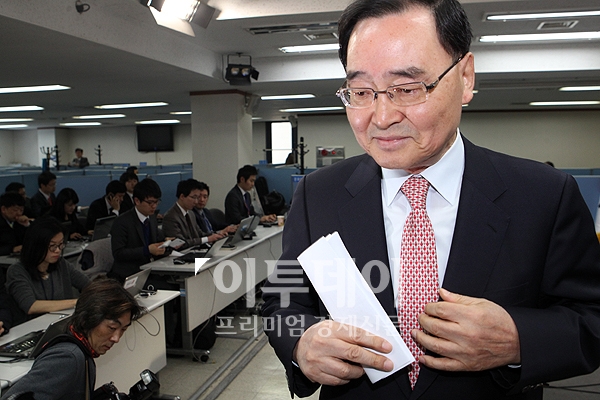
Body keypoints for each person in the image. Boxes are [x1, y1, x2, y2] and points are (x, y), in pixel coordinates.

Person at [261, 1, 600, 399]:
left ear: (465, 77)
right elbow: (281, 302)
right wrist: (301, 345)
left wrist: (517, 340)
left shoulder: (544, 196)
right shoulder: (318, 194)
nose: (381, 117)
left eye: (407, 89)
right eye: (361, 92)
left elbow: (590, 319)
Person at [0, 278, 143, 400]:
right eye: (112, 328)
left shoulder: (82, 350)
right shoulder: (68, 357)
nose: (116, 338)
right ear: (88, 319)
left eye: (123, 330)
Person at [6, 218, 90, 318]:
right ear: (36, 246)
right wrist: (77, 302)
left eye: (61, 244)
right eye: (52, 246)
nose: (58, 250)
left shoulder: (61, 264)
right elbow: (30, 306)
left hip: (61, 321)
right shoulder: (17, 271)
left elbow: (88, 284)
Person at [108, 178, 167, 283]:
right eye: (150, 202)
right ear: (137, 201)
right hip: (129, 274)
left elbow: (157, 239)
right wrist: (146, 250)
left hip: (150, 269)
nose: (154, 206)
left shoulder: (151, 217)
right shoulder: (122, 222)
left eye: (156, 202)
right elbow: (118, 253)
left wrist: (167, 243)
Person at [162, 179, 228, 249]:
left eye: (197, 198)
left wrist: (217, 234)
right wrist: (207, 239)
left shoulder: (191, 213)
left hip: (194, 250)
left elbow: (200, 234)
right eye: (193, 197)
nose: (196, 201)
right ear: (182, 196)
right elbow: (180, 243)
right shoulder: (170, 217)